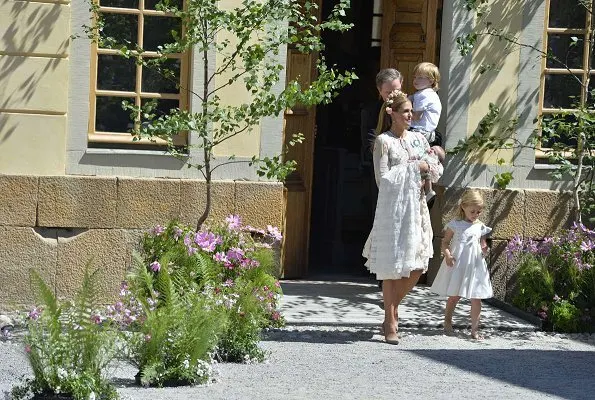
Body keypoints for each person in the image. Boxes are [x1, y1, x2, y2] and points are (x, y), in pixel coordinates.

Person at [362, 89, 443, 344]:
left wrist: (428, 169)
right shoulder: (383, 142)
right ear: (392, 113)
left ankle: (390, 312)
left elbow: (434, 169)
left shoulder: (419, 139)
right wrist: (412, 168)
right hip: (393, 209)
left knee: (418, 265)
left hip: (417, 206)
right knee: (391, 266)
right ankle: (391, 322)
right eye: (406, 111)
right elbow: (382, 179)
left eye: (411, 111)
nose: (411, 115)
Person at [430, 189, 493, 340]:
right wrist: (447, 255)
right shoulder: (455, 225)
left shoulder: (480, 227)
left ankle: (474, 330)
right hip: (458, 264)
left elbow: (483, 246)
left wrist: (485, 250)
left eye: (479, 211)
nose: (476, 214)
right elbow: (444, 243)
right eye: (473, 211)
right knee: (454, 296)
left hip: (475, 266)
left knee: (476, 297)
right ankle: (447, 321)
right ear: (463, 206)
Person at [409, 62, 444, 203]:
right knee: (424, 159)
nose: (416, 80)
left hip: (421, 132)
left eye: (420, 78)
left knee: (417, 159)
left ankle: (425, 188)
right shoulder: (424, 94)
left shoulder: (424, 95)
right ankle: (428, 189)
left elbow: (416, 116)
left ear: (431, 80)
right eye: (415, 77)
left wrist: (402, 109)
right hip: (426, 132)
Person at [360, 68, 403, 166]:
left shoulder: (409, 108)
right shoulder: (370, 112)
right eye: (389, 92)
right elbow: (369, 147)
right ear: (379, 90)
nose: (394, 95)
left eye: (397, 90)